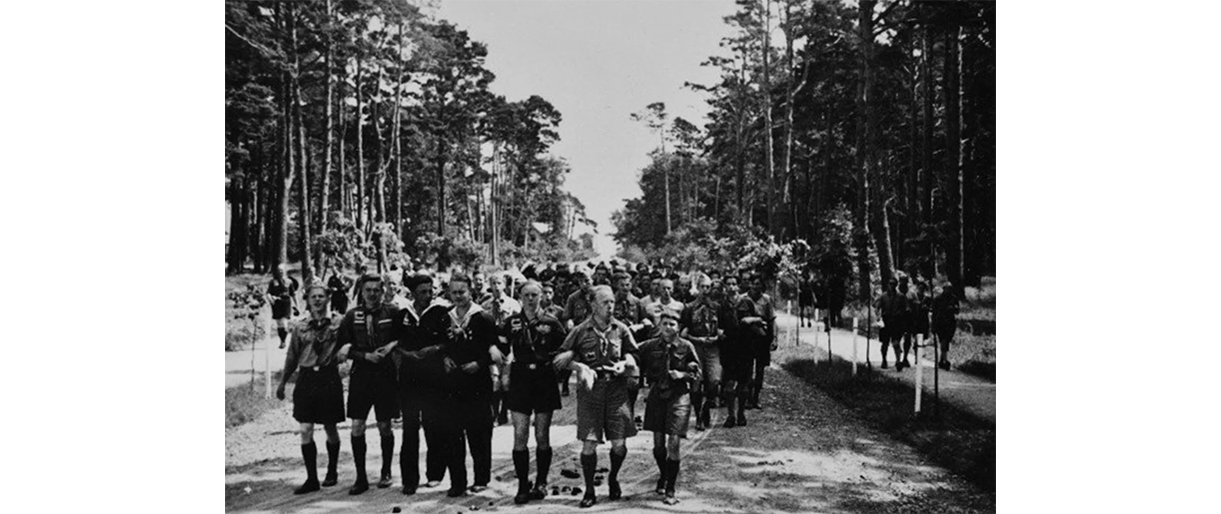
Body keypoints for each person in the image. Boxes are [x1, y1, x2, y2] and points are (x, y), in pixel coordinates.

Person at [552, 285, 639, 508]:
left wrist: (625, 362)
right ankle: (589, 489)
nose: (610, 307)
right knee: (589, 444)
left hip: (616, 390)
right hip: (591, 391)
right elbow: (559, 359)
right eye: (605, 303)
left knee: (619, 444)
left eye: (612, 302)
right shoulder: (581, 330)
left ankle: (613, 478)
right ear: (593, 305)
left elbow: (633, 353)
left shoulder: (620, 328)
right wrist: (579, 367)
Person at [499, 280, 567, 504]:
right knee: (520, 434)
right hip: (520, 378)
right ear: (520, 296)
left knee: (541, 435)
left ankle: (541, 482)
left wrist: (563, 362)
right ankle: (521, 485)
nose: (530, 299)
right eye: (526, 295)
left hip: (543, 378)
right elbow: (501, 346)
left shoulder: (551, 322)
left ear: (542, 296)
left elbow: (565, 347)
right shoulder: (511, 322)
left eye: (534, 295)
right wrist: (504, 372)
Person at [276, 283, 344, 494]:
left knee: (330, 427)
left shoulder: (338, 323)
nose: (317, 300)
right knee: (305, 428)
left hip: (328, 378)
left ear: (327, 298)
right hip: (306, 379)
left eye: (321, 296)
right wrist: (283, 382)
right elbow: (292, 356)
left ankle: (332, 470)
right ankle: (312, 478)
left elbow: (348, 345)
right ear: (307, 300)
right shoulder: (300, 326)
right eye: (313, 296)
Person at [336, 273, 401, 494]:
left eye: (376, 290)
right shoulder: (352, 316)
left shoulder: (393, 312)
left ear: (382, 291)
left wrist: (391, 346)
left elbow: (404, 337)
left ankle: (386, 471)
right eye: (368, 290)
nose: (372, 294)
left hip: (385, 375)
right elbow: (342, 347)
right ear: (361, 292)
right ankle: (361, 477)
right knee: (357, 426)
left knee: (384, 426)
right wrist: (364, 356)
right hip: (361, 376)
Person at [393, 273, 452, 495]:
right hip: (409, 377)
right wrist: (407, 354)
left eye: (430, 291)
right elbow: (396, 343)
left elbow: (448, 342)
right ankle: (409, 478)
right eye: (422, 292)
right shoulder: (403, 315)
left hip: (434, 377)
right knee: (409, 428)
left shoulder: (441, 313)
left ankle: (435, 474)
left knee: (433, 425)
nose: (428, 295)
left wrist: (433, 350)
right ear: (413, 293)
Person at [636, 310, 701, 505]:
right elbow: (631, 352)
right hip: (657, 395)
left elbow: (696, 373)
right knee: (657, 444)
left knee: (673, 441)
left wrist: (683, 375)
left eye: (672, 324)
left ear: (678, 327)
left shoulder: (686, 346)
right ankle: (664, 475)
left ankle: (670, 489)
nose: (668, 327)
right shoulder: (649, 346)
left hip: (679, 395)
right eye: (664, 323)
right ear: (659, 326)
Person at [441, 274, 497, 496]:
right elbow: (442, 345)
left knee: (479, 432)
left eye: (462, 292)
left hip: (478, 382)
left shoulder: (483, 317)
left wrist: (480, 363)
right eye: (454, 292)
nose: (458, 296)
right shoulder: (446, 317)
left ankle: (481, 478)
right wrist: (444, 358)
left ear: (470, 292)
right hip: (453, 382)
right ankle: (457, 482)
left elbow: (495, 350)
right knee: (453, 433)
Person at [680, 272, 723, 431]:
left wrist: (717, 337)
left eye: (708, 287)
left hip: (712, 348)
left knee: (714, 381)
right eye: (702, 287)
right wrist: (695, 339)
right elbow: (684, 333)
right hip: (695, 347)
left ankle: (707, 406)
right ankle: (698, 415)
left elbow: (721, 329)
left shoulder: (717, 307)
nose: (706, 290)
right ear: (697, 288)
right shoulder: (689, 308)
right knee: (696, 384)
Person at [612, 271, 652, 424]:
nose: (625, 288)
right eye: (622, 285)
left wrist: (639, 326)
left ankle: (630, 411)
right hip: (614, 346)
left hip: (631, 347)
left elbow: (645, 321)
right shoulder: (610, 301)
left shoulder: (637, 302)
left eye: (628, 285)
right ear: (616, 285)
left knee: (633, 382)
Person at [482, 273, 522, 426]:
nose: (496, 286)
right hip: (492, 347)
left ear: (504, 285)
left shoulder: (513, 305)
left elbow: (518, 328)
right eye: (493, 283)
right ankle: (494, 414)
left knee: (506, 383)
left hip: (508, 347)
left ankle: (504, 411)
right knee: (494, 381)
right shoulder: (485, 305)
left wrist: (513, 350)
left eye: (499, 283)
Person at [737, 273, 776, 410]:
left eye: (758, 284)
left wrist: (774, 338)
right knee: (747, 368)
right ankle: (747, 397)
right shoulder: (742, 298)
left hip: (762, 336)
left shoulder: (766, 300)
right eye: (753, 283)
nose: (755, 286)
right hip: (747, 338)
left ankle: (756, 397)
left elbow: (772, 320)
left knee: (760, 369)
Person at [719, 274, 749, 427]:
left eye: (734, 284)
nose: (731, 287)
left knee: (743, 384)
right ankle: (730, 415)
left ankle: (741, 413)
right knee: (729, 384)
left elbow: (756, 320)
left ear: (738, 286)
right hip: (728, 347)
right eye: (728, 284)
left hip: (744, 346)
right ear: (725, 286)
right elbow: (717, 324)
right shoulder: (722, 304)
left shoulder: (746, 302)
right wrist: (719, 332)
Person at [876, 277, 908, 370]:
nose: (892, 286)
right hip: (886, 322)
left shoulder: (901, 296)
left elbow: (906, 308)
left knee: (896, 343)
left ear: (896, 285)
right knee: (884, 343)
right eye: (890, 284)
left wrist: (903, 316)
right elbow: (877, 307)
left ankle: (898, 361)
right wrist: (878, 316)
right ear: (888, 285)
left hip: (896, 323)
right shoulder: (883, 296)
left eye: (894, 284)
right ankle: (884, 360)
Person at [267, 265, 299, 349]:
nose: (280, 272)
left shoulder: (289, 282)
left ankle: (283, 341)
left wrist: (297, 305)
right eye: (278, 270)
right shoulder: (272, 282)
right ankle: (282, 340)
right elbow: (268, 293)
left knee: (284, 323)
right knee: (279, 324)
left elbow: (293, 294)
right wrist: (270, 298)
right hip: (276, 304)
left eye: (281, 270)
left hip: (286, 303)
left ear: (284, 271)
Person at [932, 281, 960, 370]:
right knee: (943, 341)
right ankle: (945, 360)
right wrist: (933, 325)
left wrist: (954, 308)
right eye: (947, 289)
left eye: (950, 289)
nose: (948, 291)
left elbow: (957, 311)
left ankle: (942, 360)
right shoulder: (938, 299)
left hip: (950, 322)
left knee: (946, 341)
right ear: (943, 289)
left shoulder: (954, 298)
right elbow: (934, 313)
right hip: (940, 323)